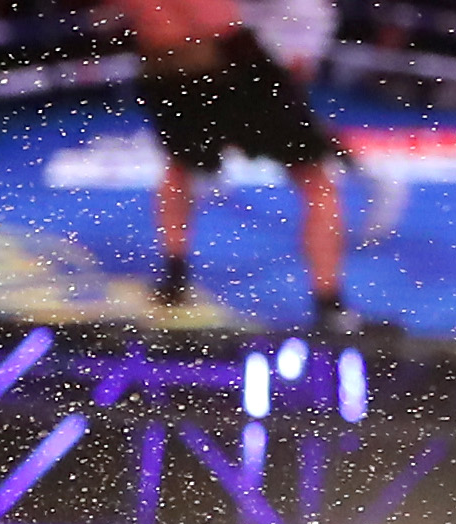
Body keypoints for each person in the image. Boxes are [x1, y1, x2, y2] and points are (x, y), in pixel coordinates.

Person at [115, 0, 355, 327]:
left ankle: (174, 276)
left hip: (163, 67)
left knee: (179, 167)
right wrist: (273, 79)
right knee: (315, 180)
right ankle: (330, 304)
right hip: (225, 62)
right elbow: (214, 21)